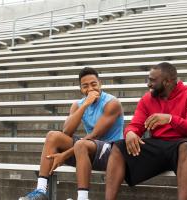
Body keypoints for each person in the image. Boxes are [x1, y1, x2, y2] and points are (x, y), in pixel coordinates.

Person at [105, 62, 187, 200]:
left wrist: (170, 119)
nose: (148, 84)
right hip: (160, 145)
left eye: (152, 80)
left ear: (167, 82)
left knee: (185, 146)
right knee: (118, 147)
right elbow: (135, 125)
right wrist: (130, 133)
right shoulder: (147, 99)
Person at [19, 67, 124, 200]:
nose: (90, 89)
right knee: (53, 136)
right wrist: (85, 105)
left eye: (94, 84)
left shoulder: (112, 103)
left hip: (112, 152)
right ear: (80, 89)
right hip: (89, 149)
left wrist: (65, 154)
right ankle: (40, 190)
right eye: (85, 86)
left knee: (81, 144)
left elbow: (95, 135)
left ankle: (82, 198)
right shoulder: (78, 104)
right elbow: (67, 131)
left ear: (100, 84)